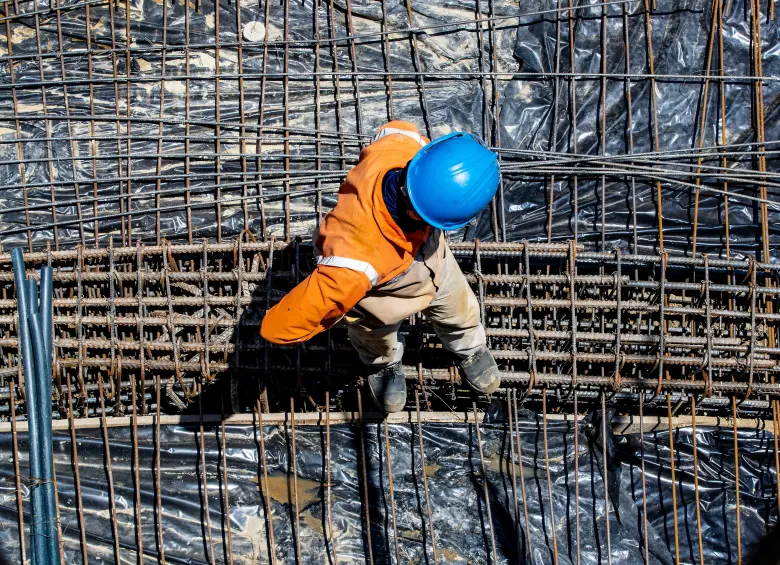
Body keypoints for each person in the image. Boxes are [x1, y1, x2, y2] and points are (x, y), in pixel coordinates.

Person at [261, 120, 502, 413]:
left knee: (460, 310)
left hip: (434, 262)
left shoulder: (403, 150)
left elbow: (396, 129)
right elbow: (283, 324)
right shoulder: (355, 261)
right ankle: (382, 364)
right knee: (373, 333)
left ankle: (470, 347)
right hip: (379, 292)